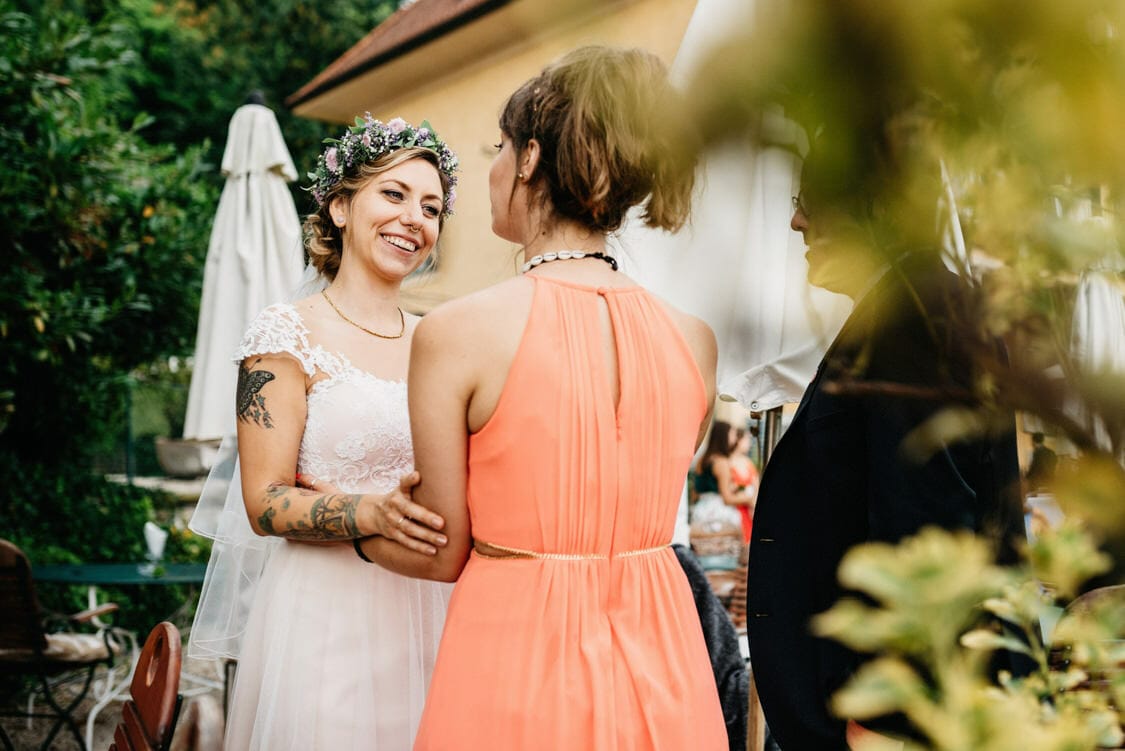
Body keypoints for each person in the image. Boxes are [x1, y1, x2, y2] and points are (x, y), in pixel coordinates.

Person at [354, 46, 727, 749]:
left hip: (515, 659)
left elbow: (441, 549)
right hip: (664, 658)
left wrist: (351, 527)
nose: (491, 170)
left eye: (498, 149)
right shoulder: (694, 339)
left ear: (527, 159)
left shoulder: (455, 332)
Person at [746, 133, 1026, 749]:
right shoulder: (912, 310)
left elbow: (927, 538)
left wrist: (882, 717)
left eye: (811, 198)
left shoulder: (917, 321)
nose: (797, 221)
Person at [200, 115, 458, 750]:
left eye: (431, 208)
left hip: (430, 610)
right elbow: (264, 503)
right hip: (324, 613)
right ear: (341, 207)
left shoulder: (442, 340)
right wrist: (373, 511)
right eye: (393, 195)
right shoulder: (284, 335)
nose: (414, 219)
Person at [692, 421, 758, 542]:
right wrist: (749, 499)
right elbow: (727, 499)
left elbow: (695, 493)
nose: (734, 438)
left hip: (700, 512)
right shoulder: (721, 462)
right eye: (732, 434)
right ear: (724, 436)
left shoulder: (702, 459)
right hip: (718, 516)